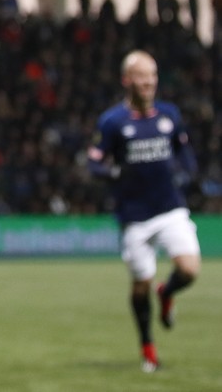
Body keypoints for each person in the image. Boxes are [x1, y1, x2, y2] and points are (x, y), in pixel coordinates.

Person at [87, 50, 201, 373]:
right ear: (127, 80)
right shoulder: (112, 122)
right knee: (140, 286)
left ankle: (167, 292)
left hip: (169, 208)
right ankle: (148, 348)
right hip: (135, 216)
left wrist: (187, 173)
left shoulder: (169, 115)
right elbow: (94, 163)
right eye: (141, 75)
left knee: (190, 270)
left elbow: (184, 152)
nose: (149, 81)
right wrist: (113, 173)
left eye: (152, 75)